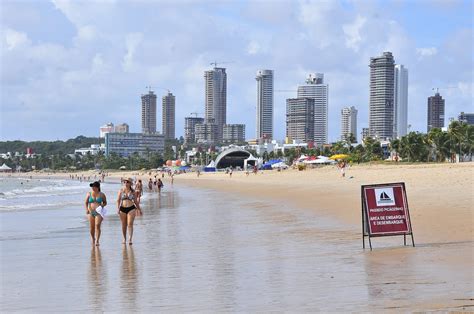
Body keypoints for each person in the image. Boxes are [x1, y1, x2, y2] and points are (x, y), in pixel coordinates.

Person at [117, 178, 142, 245]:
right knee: (123, 224)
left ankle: (130, 239)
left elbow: (136, 201)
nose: (126, 183)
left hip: (131, 208)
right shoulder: (121, 190)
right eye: (125, 182)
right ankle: (124, 238)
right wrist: (118, 208)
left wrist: (139, 209)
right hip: (122, 208)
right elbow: (118, 200)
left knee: (130, 223)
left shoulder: (133, 191)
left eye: (127, 182)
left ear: (130, 183)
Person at [85, 181, 107, 246]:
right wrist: (86, 209)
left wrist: (102, 206)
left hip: (99, 212)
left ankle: (97, 240)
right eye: (92, 186)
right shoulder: (89, 194)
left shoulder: (102, 194)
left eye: (94, 186)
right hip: (91, 212)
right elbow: (86, 202)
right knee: (92, 227)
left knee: (97, 225)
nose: (93, 188)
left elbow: (105, 202)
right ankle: (93, 239)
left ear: (98, 187)